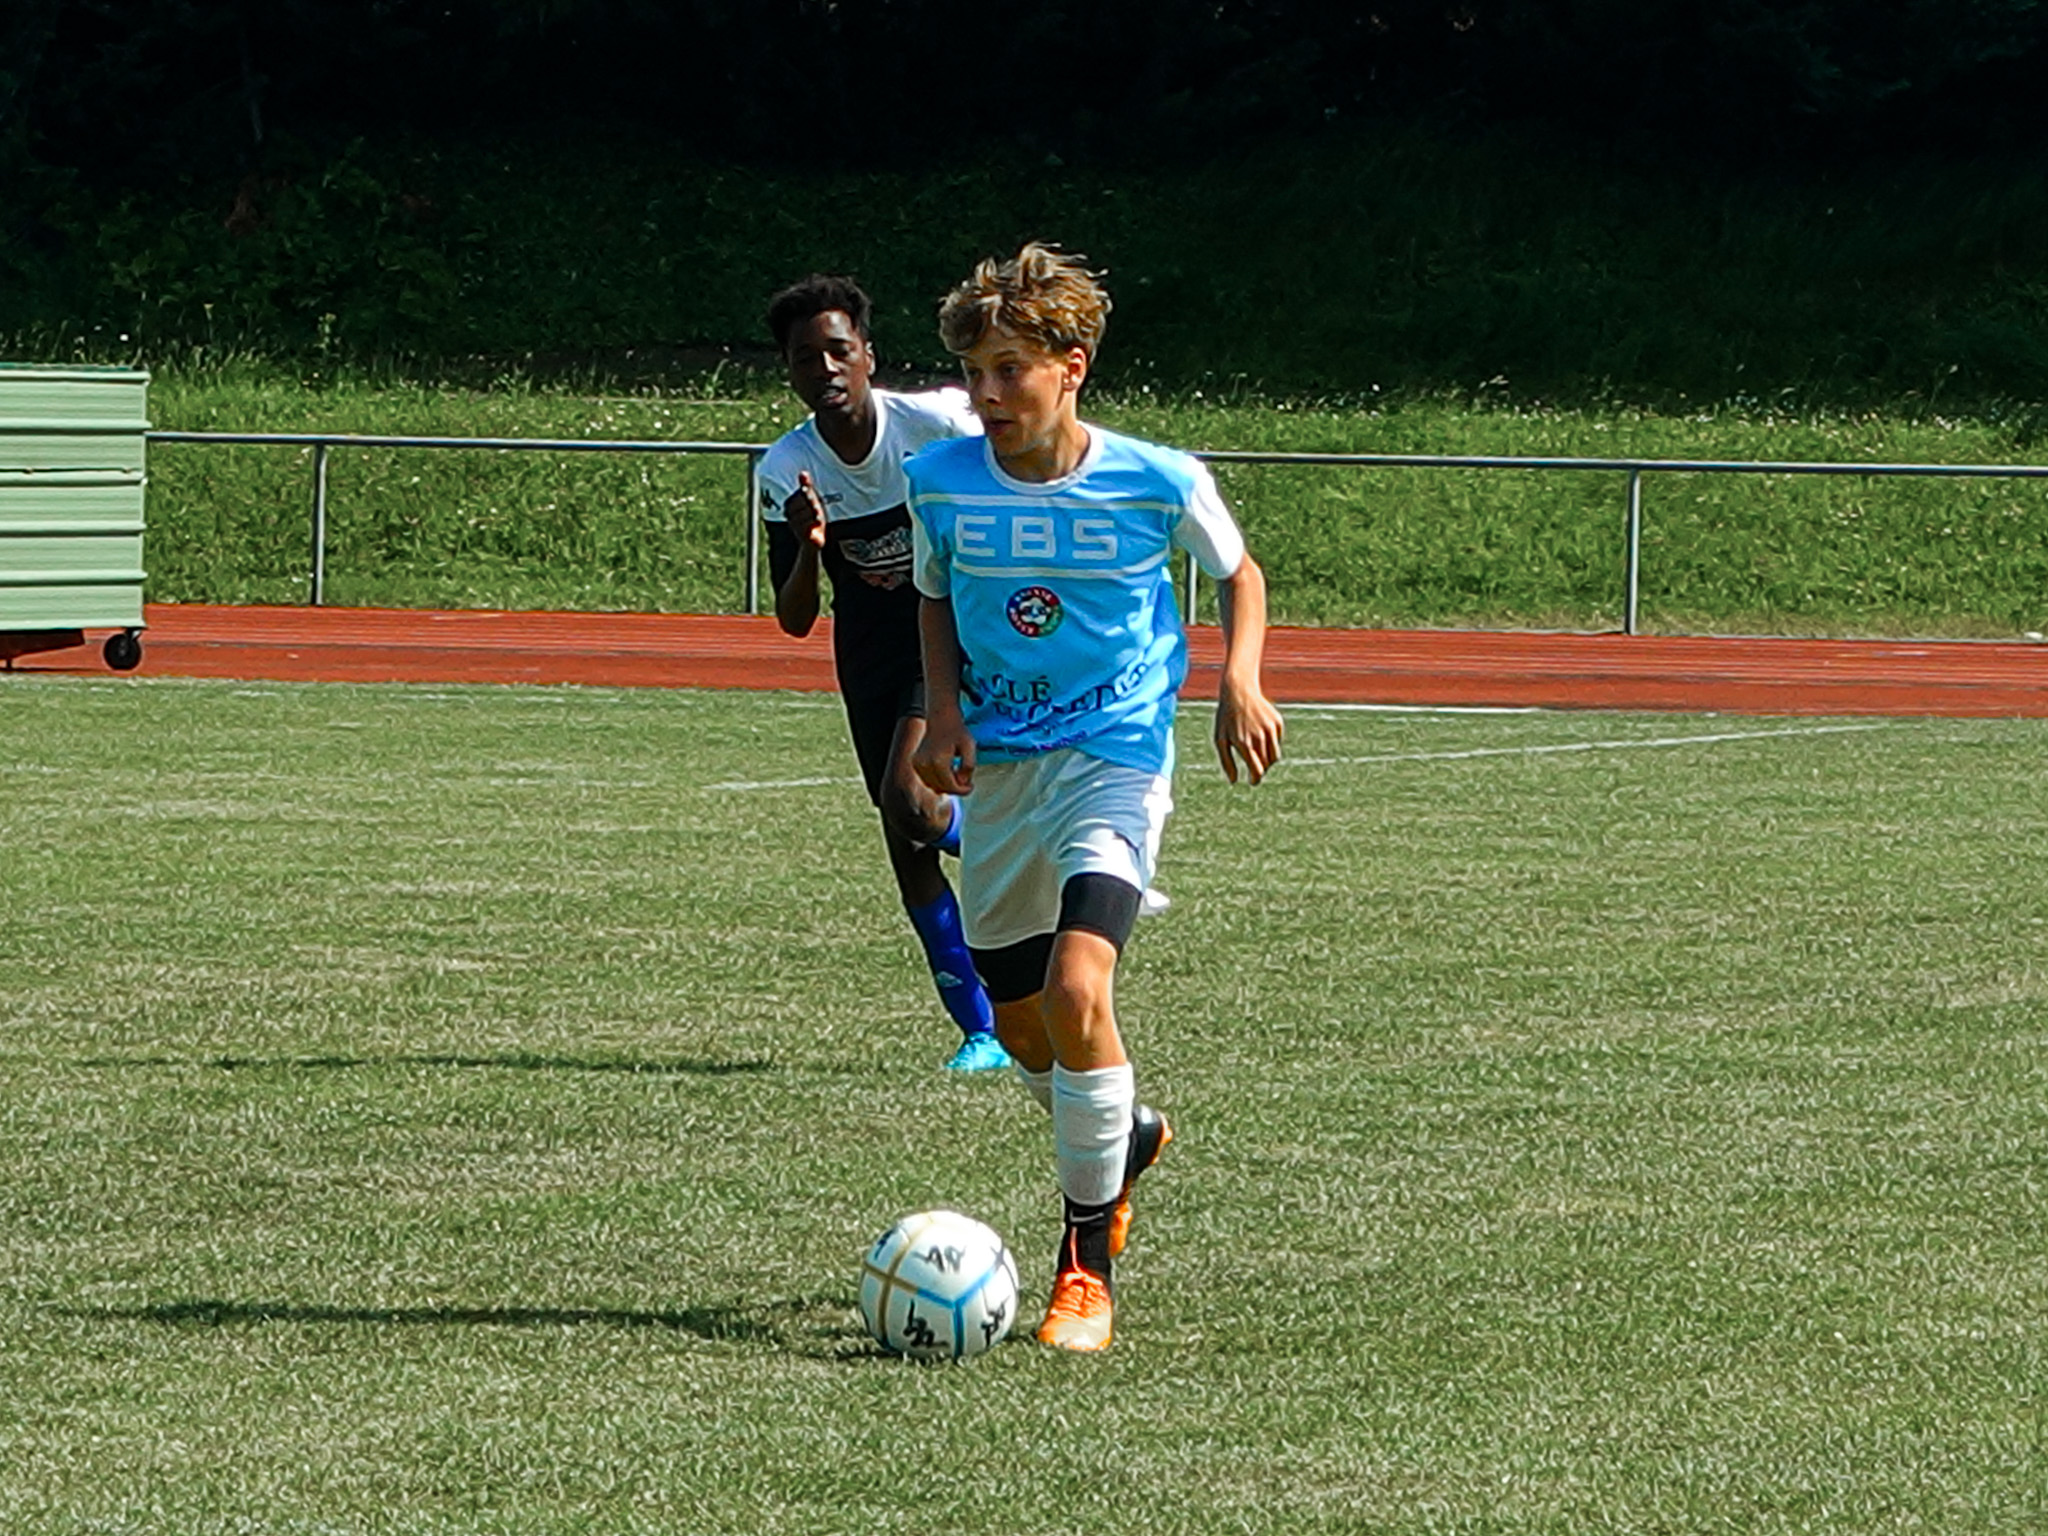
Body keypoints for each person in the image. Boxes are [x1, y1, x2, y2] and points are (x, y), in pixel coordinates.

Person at [908, 243, 1284, 1350]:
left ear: (1071, 366)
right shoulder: (941, 483)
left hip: (1114, 758)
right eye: (974, 373)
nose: (984, 396)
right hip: (1002, 772)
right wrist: (942, 710)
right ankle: (1123, 1134)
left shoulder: (1154, 477)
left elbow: (1238, 572)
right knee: (1025, 1025)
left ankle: (1086, 1267)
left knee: (1081, 990)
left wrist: (1238, 679)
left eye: (1009, 370)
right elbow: (931, 596)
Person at [758, 274, 1010, 1073]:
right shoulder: (785, 467)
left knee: (912, 799)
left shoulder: (932, 424)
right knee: (906, 842)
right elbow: (796, 617)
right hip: (866, 652)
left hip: (943, 633)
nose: (825, 367)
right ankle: (981, 1033)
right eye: (807, 358)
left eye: (839, 349)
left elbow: (1015, 465)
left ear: (868, 355)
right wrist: (808, 543)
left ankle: (1025, 854)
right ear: (790, 372)